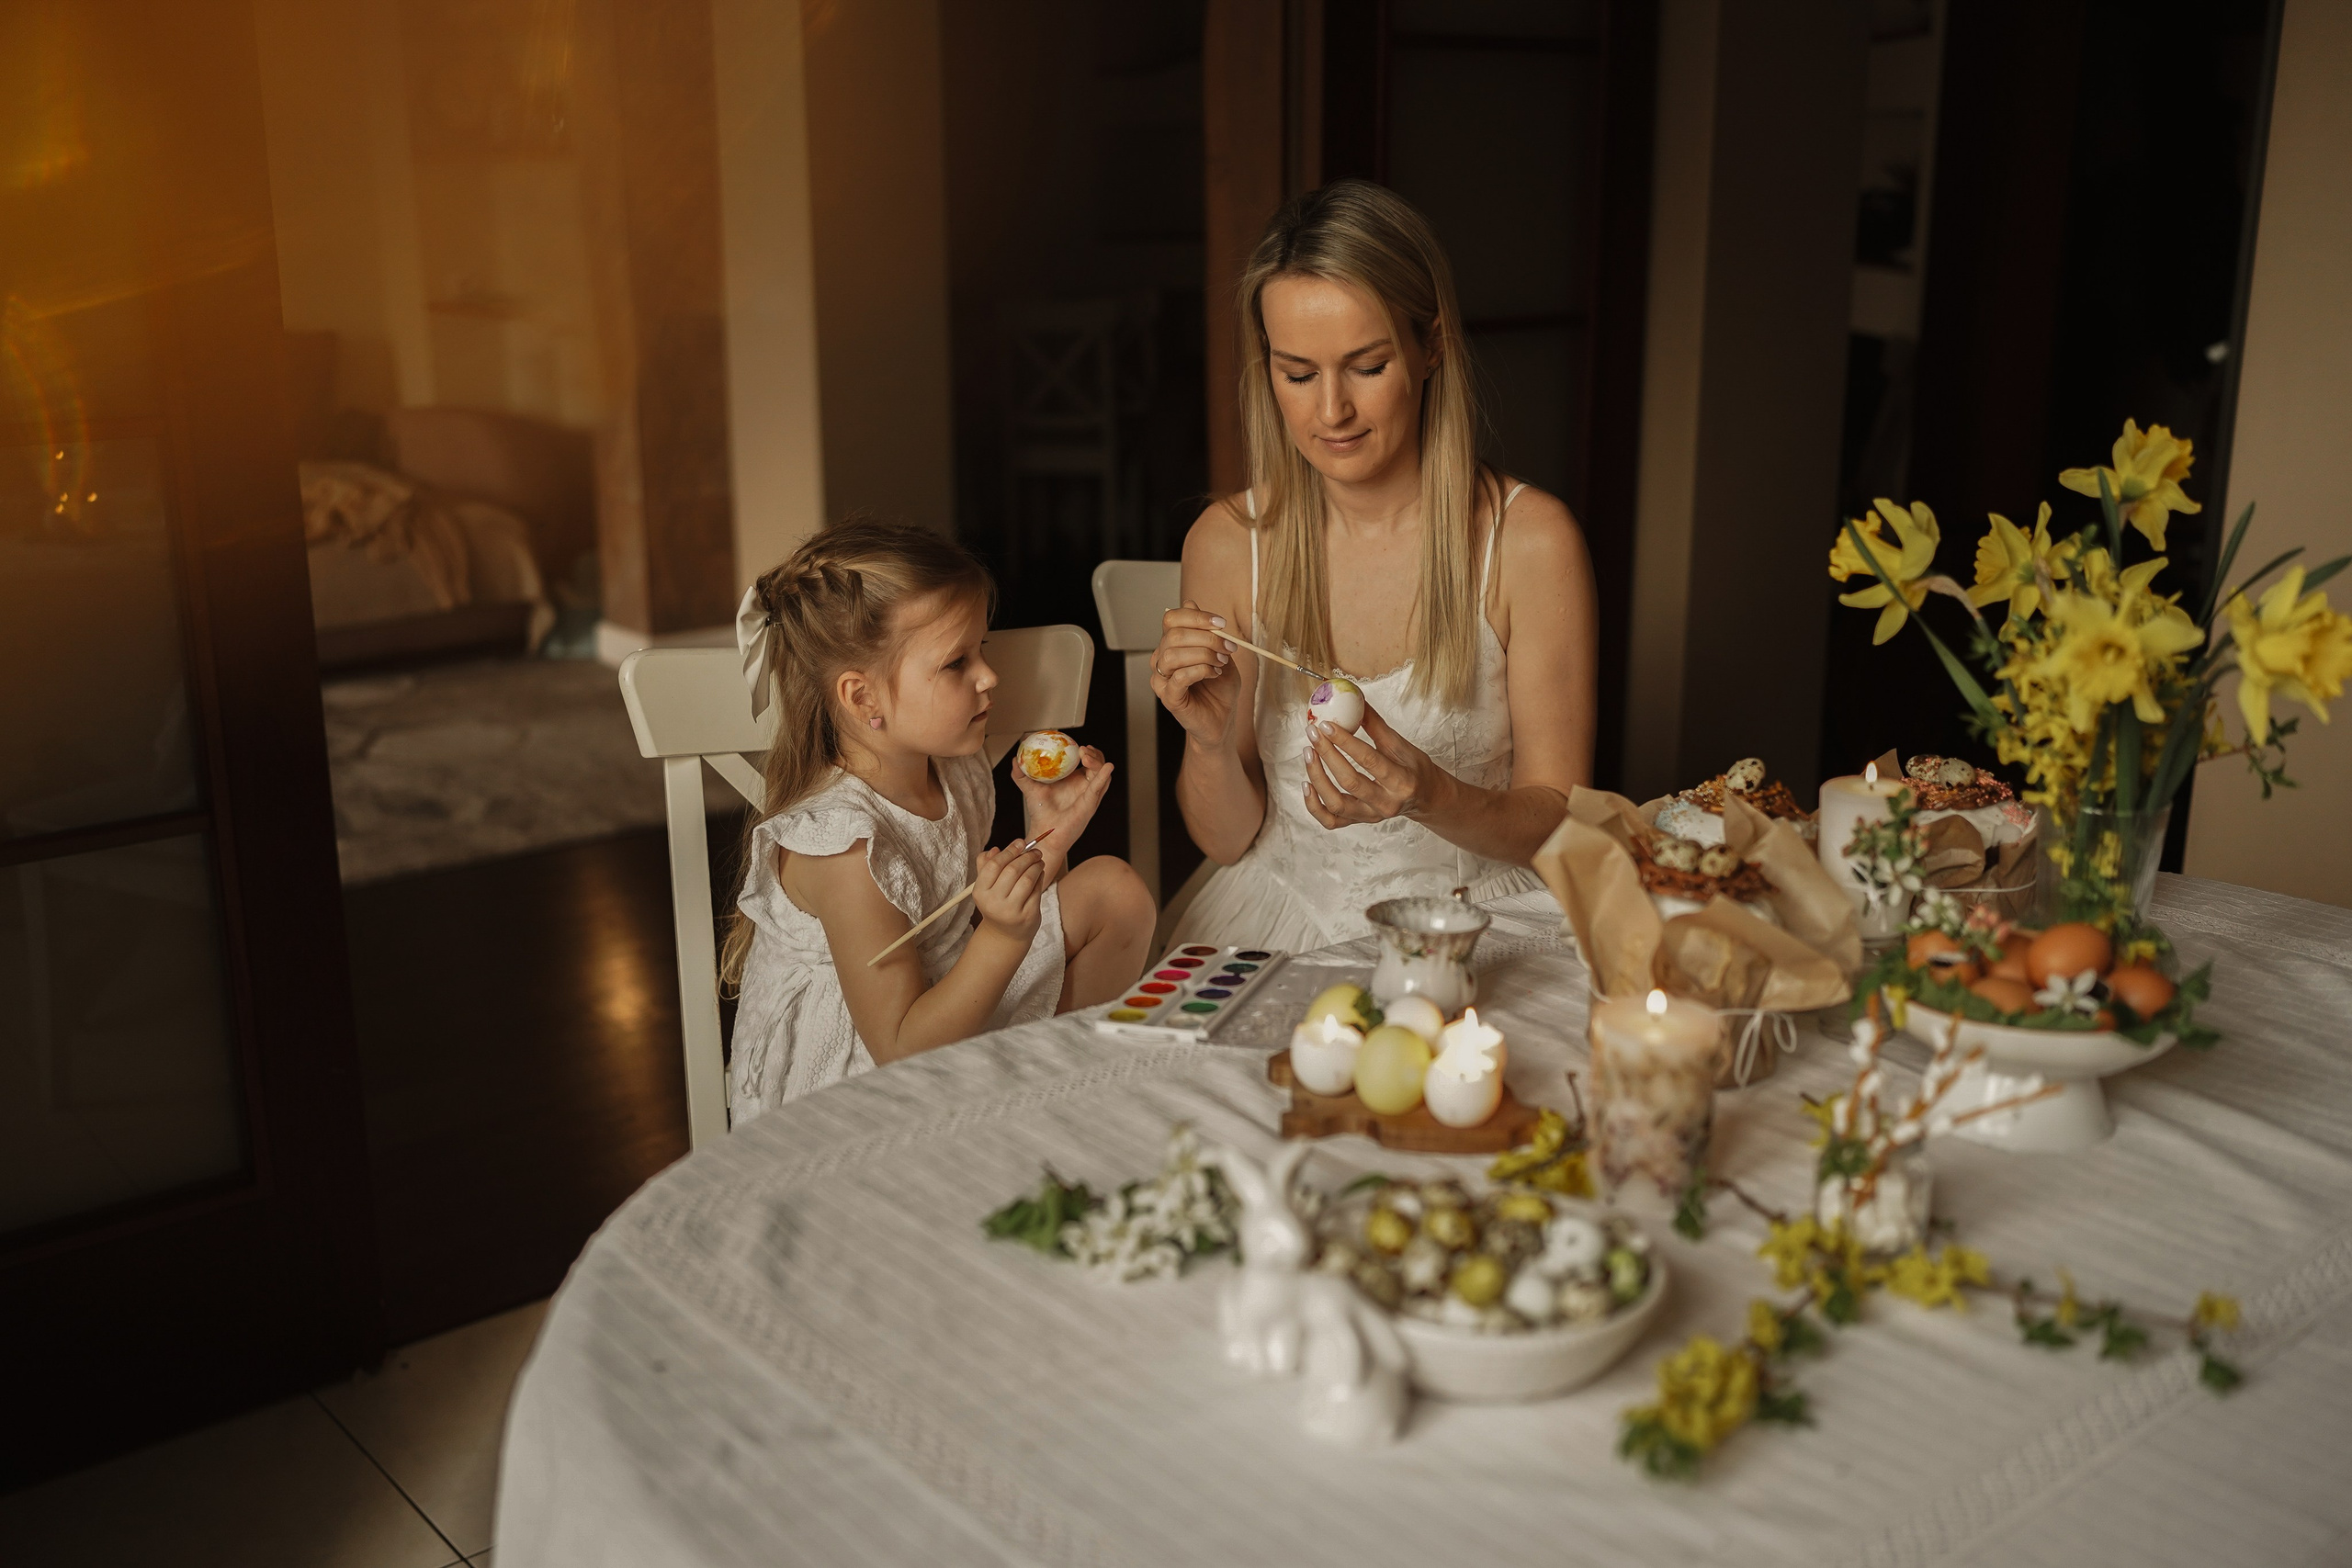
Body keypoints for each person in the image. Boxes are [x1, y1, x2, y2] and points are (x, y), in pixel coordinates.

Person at [1154, 179, 1597, 950]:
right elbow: (1224, 840)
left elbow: (1555, 818)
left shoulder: (1530, 542)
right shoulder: (1226, 543)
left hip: (1477, 922)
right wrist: (1208, 740)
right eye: (1298, 374)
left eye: (1365, 366)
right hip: (1276, 917)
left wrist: (1432, 795)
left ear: (1432, 347)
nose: (1332, 412)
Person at [723, 516, 1154, 1122]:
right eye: (957, 663)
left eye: (985, 647)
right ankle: (1017, 1115)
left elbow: (961, 928)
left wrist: (1045, 842)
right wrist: (1003, 934)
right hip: (861, 1091)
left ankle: (1056, 1095)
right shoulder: (842, 847)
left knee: (1115, 893)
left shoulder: (954, 770)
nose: (989, 676)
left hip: (948, 1007)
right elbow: (900, 1046)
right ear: (862, 697)